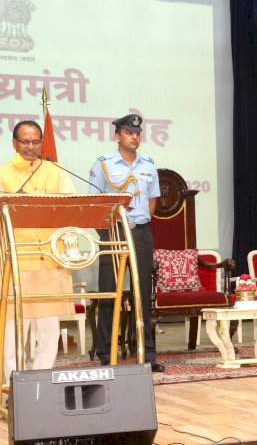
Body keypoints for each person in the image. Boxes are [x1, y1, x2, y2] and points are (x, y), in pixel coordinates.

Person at [88, 114, 164, 372]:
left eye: (137, 132)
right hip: (114, 232)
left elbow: (152, 201)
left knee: (143, 292)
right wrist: (109, 232)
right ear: (117, 136)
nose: (135, 136)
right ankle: (105, 354)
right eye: (129, 132)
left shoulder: (149, 165)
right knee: (111, 292)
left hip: (140, 232)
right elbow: (94, 204)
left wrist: (139, 222)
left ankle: (147, 354)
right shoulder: (103, 165)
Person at [0, 120, 75, 377]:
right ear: (14, 143)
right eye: (25, 141)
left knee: (49, 328)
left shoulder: (55, 172)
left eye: (35, 141)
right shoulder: (3, 173)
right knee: (12, 328)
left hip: (49, 260)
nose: (30, 147)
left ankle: (43, 380)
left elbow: (72, 207)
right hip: (16, 260)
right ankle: (12, 385)